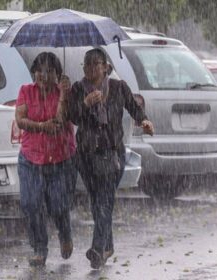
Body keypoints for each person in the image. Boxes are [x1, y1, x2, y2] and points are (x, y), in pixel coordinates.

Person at [67, 48, 154, 269]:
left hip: (112, 153)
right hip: (86, 155)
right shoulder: (78, 89)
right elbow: (72, 117)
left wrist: (144, 121)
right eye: (87, 64)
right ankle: (108, 246)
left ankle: (97, 248)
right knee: (97, 203)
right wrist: (85, 103)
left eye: (96, 64)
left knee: (104, 200)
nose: (91, 69)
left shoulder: (117, 87)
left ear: (106, 66)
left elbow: (135, 108)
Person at [15, 52, 77, 267]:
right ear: (34, 72)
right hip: (31, 158)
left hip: (60, 158)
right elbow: (20, 120)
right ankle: (39, 248)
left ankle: (65, 233)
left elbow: (61, 121)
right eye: (40, 70)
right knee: (31, 204)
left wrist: (63, 95)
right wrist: (41, 127)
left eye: (50, 71)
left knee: (59, 205)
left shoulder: (65, 93)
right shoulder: (25, 91)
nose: (44, 75)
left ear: (57, 74)